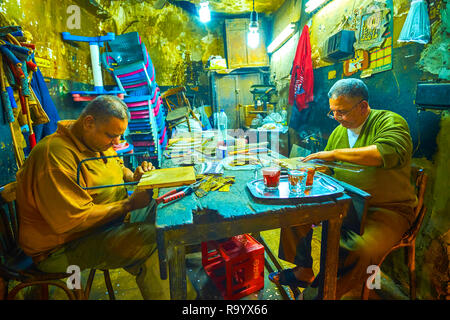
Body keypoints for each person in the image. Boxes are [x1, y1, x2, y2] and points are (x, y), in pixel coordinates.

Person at [16, 95, 196, 300]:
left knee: (167, 209)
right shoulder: (55, 156)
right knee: (155, 239)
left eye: (119, 135)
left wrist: (134, 175)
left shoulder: (95, 141)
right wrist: (128, 204)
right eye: (112, 136)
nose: (116, 142)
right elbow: (71, 222)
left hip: (106, 224)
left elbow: (118, 168)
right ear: (89, 123)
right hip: (63, 247)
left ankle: (183, 292)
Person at [269, 78, 417, 299]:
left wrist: (333, 154)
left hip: (385, 210)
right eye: (333, 112)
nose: (337, 118)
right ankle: (303, 270)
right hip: (345, 201)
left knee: (356, 248)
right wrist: (304, 167)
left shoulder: (389, 121)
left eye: (342, 112)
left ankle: (322, 294)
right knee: (294, 211)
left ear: (363, 106)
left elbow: (388, 152)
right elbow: (330, 168)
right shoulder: (340, 132)